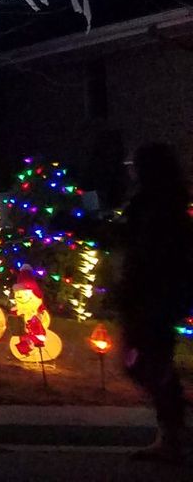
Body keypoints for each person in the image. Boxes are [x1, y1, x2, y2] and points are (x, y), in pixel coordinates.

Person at [116, 142, 193, 462]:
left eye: (137, 164)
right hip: (145, 294)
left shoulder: (162, 206)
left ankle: (173, 432)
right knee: (145, 363)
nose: (131, 168)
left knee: (147, 363)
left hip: (155, 295)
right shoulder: (148, 203)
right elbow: (128, 239)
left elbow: (154, 251)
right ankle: (171, 430)